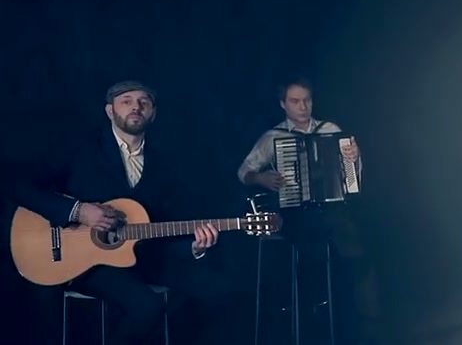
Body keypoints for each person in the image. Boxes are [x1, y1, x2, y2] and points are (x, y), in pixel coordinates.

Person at [7, 81, 247, 345]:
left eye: (144, 102)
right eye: (127, 101)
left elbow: (168, 224)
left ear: (153, 113)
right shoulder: (80, 148)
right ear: (110, 111)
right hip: (86, 263)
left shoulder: (167, 162)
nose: (136, 107)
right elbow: (18, 184)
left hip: (146, 257)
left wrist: (195, 247)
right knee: (146, 309)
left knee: (223, 292)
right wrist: (77, 211)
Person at [237, 77, 382, 345]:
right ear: (283, 104)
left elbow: (351, 179)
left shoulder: (331, 130)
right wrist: (260, 178)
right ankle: (313, 320)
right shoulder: (272, 138)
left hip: (332, 208)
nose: (303, 107)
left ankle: (366, 325)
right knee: (312, 252)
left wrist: (354, 158)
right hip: (295, 212)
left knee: (357, 251)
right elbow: (243, 171)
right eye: (295, 101)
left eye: (306, 100)